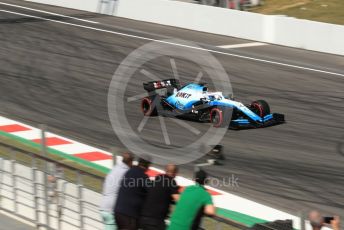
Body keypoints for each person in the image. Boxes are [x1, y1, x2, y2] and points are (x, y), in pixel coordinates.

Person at [114, 156, 152, 230]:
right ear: (147, 166)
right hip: (129, 215)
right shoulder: (143, 176)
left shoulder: (129, 171)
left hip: (118, 212)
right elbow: (151, 193)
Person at [100, 152, 134, 230]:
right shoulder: (126, 172)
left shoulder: (115, 168)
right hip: (111, 210)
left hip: (104, 206)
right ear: (131, 162)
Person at [140, 164, 180, 230]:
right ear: (175, 173)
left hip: (143, 218)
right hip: (155, 221)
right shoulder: (171, 182)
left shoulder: (158, 178)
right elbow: (178, 200)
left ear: (165, 170)